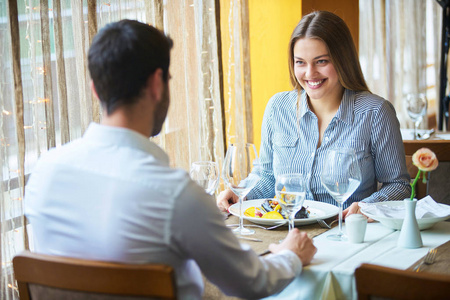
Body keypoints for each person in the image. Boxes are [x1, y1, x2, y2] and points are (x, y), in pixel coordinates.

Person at [24, 19, 316, 299]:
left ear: (95, 88)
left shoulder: (43, 173)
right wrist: (292, 254)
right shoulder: (175, 194)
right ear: (157, 84)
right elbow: (253, 282)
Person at [217, 11, 411, 218]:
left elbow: (399, 185)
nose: (310, 73)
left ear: (342, 60)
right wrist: (241, 194)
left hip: (345, 232)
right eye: (300, 62)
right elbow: (266, 176)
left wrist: (368, 206)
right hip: (287, 231)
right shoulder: (277, 108)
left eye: (321, 61)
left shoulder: (375, 112)